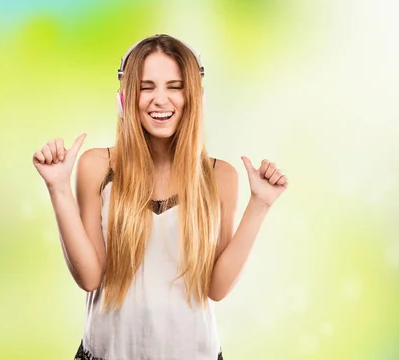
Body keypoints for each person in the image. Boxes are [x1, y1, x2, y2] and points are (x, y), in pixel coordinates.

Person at [32, 34, 288, 360]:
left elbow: (217, 288)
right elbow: (90, 276)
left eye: (175, 86)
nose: (160, 99)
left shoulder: (220, 176)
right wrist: (58, 187)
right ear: (125, 98)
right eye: (146, 86)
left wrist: (261, 204)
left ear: (195, 97)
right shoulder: (96, 166)